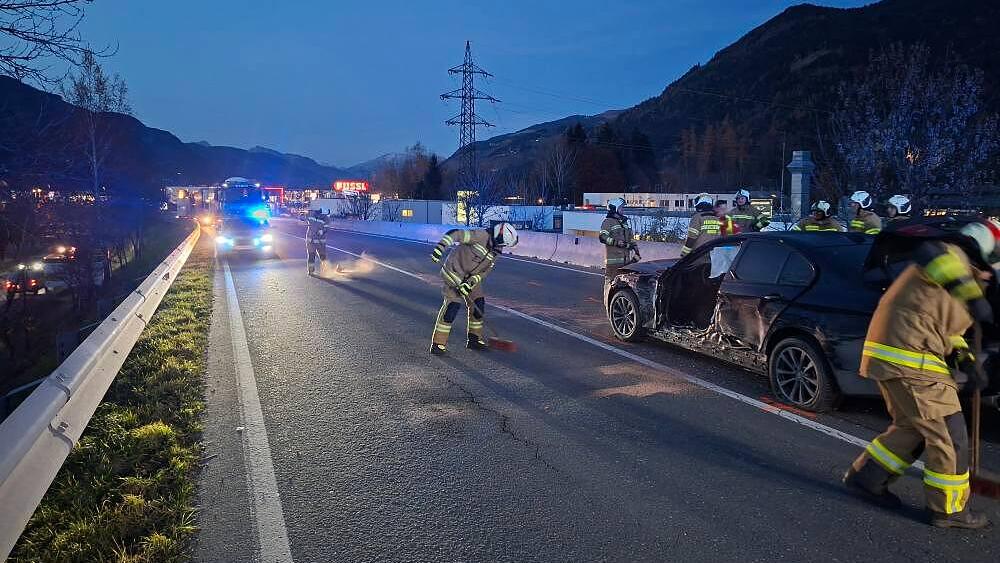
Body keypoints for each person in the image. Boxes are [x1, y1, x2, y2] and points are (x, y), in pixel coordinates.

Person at [843, 219, 1000, 529]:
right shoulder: (951, 254)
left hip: (900, 354)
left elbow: (944, 328)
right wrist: (971, 295)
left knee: (911, 426)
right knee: (950, 435)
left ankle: (868, 478)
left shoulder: (960, 275)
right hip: (910, 357)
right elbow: (931, 254)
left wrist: (967, 359)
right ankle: (950, 511)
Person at [428, 222, 519, 355]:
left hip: (470, 279)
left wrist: (470, 283)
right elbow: (455, 234)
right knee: (452, 307)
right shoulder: (479, 235)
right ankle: (438, 344)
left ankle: (474, 340)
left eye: (504, 244)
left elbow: (485, 271)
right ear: (498, 235)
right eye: (502, 243)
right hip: (454, 273)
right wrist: (440, 248)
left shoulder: (496, 250)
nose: (502, 246)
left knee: (478, 304)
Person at [599, 197, 639, 278]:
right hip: (613, 263)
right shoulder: (608, 222)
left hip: (626, 263)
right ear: (615, 208)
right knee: (610, 283)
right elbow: (602, 237)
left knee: (623, 285)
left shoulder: (624, 224)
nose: (623, 210)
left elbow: (631, 239)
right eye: (621, 208)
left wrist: (636, 251)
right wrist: (616, 243)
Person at [305, 210, 329, 275]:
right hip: (311, 241)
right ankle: (311, 271)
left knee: (322, 256)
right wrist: (303, 215)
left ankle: (325, 270)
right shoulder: (311, 214)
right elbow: (303, 217)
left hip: (320, 241)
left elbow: (326, 228)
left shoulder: (325, 218)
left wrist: (322, 231)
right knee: (311, 255)